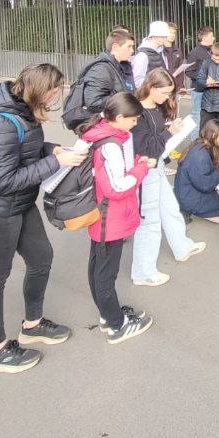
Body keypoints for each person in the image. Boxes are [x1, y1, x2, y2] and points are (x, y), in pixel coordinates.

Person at [0, 64, 86, 374]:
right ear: (38, 89)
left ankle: (33, 324)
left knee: (41, 257)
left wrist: (51, 150)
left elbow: (24, 150)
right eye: (53, 91)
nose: (55, 96)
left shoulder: (21, 109)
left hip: (18, 204)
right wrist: (56, 163)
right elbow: (3, 181)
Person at [79, 93, 154, 344]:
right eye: (133, 120)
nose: (135, 123)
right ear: (119, 117)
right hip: (109, 217)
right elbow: (117, 187)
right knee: (105, 273)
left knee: (98, 266)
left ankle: (108, 313)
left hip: (104, 214)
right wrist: (141, 169)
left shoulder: (101, 133)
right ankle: (116, 325)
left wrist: (135, 163)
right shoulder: (109, 145)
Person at [129, 69, 205, 287]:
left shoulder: (154, 107)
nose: (167, 97)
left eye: (169, 93)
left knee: (170, 207)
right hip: (146, 169)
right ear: (151, 87)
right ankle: (143, 272)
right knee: (149, 221)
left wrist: (169, 129)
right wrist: (169, 133)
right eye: (163, 93)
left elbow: (156, 138)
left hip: (157, 166)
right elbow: (145, 147)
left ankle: (182, 246)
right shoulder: (137, 112)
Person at [175, 120, 219, 223]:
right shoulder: (200, 156)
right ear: (213, 135)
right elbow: (205, 186)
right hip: (192, 199)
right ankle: (197, 212)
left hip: (191, 192)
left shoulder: (199, 144)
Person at [184, 27, 215, 140]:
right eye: (211, 36)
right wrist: (204, 78)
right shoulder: (195, 52)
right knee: (197, 116)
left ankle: (206, 141)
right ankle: (194, 141)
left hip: (211, 89)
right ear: (205, 38)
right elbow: (189, 71)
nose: (214, 38)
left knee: (209, 117)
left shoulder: (211, 51)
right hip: (199, 90)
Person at [132, 21, 180, 88]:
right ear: (153, 36)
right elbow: (137, 81)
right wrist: (153, 88)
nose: (164, 39)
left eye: (165, 36)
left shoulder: (162, 52)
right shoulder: (142, 55)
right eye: (161, 36)